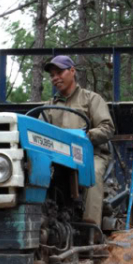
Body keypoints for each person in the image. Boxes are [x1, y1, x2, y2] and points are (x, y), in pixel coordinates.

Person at [42, 55, 115, 226]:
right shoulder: (48, 107)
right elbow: (39, 133)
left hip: (91, 155)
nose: (55, 78)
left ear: (72, 71)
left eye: (59, 72)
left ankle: (91, 231)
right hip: (58, 157)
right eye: (52, 75)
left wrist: (85, 136)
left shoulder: (91, 99)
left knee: (93, 173)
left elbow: (107, 128)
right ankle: (42, 221)